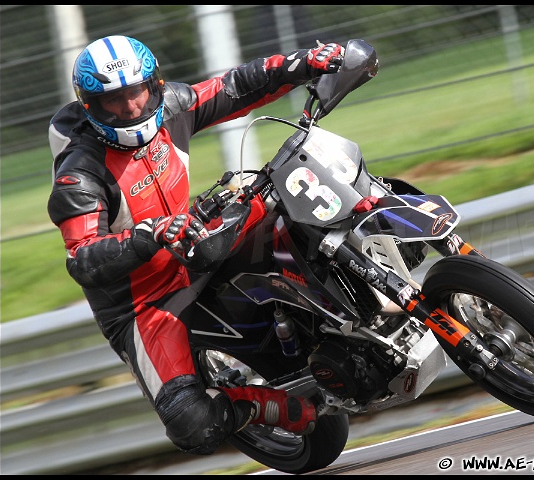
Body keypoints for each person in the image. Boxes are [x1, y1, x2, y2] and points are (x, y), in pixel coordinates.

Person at [47, 34, 344, 455]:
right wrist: (148, 234)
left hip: (196, 243)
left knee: (285, 200)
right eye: (115, 100)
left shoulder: (171, 108)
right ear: (90, 105)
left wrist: (305, 63)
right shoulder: (79, 175)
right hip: (145, 304)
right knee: (192, 426)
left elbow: (237, 86)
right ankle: (263, 409)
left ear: (155, 85)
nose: (131, 107)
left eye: (137, 92)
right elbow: (83, 257)